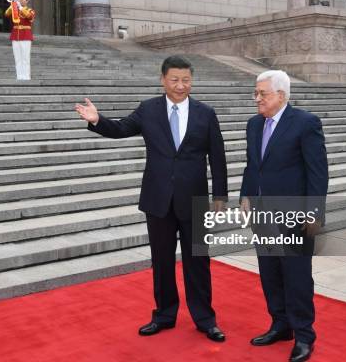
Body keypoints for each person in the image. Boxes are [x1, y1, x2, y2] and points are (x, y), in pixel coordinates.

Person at [75, 55, 228, 342]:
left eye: (186, 80)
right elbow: (121, 129)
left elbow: (217, 157)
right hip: (158, 200)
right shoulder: (148, 110)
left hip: (194, 201)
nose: (181, 85)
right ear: (163, 80)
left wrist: (220, 195)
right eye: (174, 80)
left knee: (198, 261)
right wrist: (97, 120)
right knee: (162, 261)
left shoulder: (205, 113)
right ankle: (165, 315)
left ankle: (205, 319)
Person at [240, 70, 328, 362]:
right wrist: (246, 194)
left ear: (281, 95)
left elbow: (318, 172)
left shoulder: (305, 123)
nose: (257, 99)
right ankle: (280, 325)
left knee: (296, 275)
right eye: (256, 93)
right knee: (270, 272)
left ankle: (304, 335)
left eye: (262, 94)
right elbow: (252, 165)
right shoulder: (254, 125)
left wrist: (314, 212)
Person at [5, 0, 36, 80]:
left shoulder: (30, 10)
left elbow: (30, 17)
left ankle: (26, 76)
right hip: (15, 36)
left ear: (27, 1)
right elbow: (6, 14)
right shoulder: (15, 10)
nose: (20, 0)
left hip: (26, 36)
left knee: (25, 58)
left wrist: (21, 8)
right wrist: (13, 5)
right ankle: (19, 76)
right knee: (17, 58)